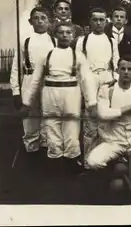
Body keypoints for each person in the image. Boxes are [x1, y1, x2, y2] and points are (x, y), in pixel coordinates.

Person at [20, 21, 97, 171]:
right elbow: (35, 80)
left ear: (73, 36)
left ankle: (71, 164)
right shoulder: (46, 55)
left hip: (71, 95)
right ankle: (55, 163)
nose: (64, 36)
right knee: (51, 127)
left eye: (68, 33)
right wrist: (27, 102)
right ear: (55, 35)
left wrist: (92, 103)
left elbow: (87, 80)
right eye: (61, 32)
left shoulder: (78, 56)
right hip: (50, 94)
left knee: (71, 129)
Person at [10, 7, 56, 155]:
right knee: (30, 121)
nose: (40, 21)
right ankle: (31, 154)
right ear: (31, 21)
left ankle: (45, 155)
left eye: (43, 18)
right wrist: (16, 92)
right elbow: (16, 69)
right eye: (36, 18)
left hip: (48, 83)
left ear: (49, 22)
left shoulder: (54, 41)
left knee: (48, 121)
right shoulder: (25, 42)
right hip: (29, 82)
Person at [75, 7, 119, 161]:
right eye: (95, 19)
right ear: (90, 21)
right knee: (90, 123)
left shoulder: (111, 40)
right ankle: (88, 159)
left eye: (102, 20)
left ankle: (104, 158)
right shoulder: (83, 40)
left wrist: (114, 80)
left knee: (106, 121)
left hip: (107, 80)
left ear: (106, 21)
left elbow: (115, 62)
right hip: (90, 79)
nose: (99, 23)